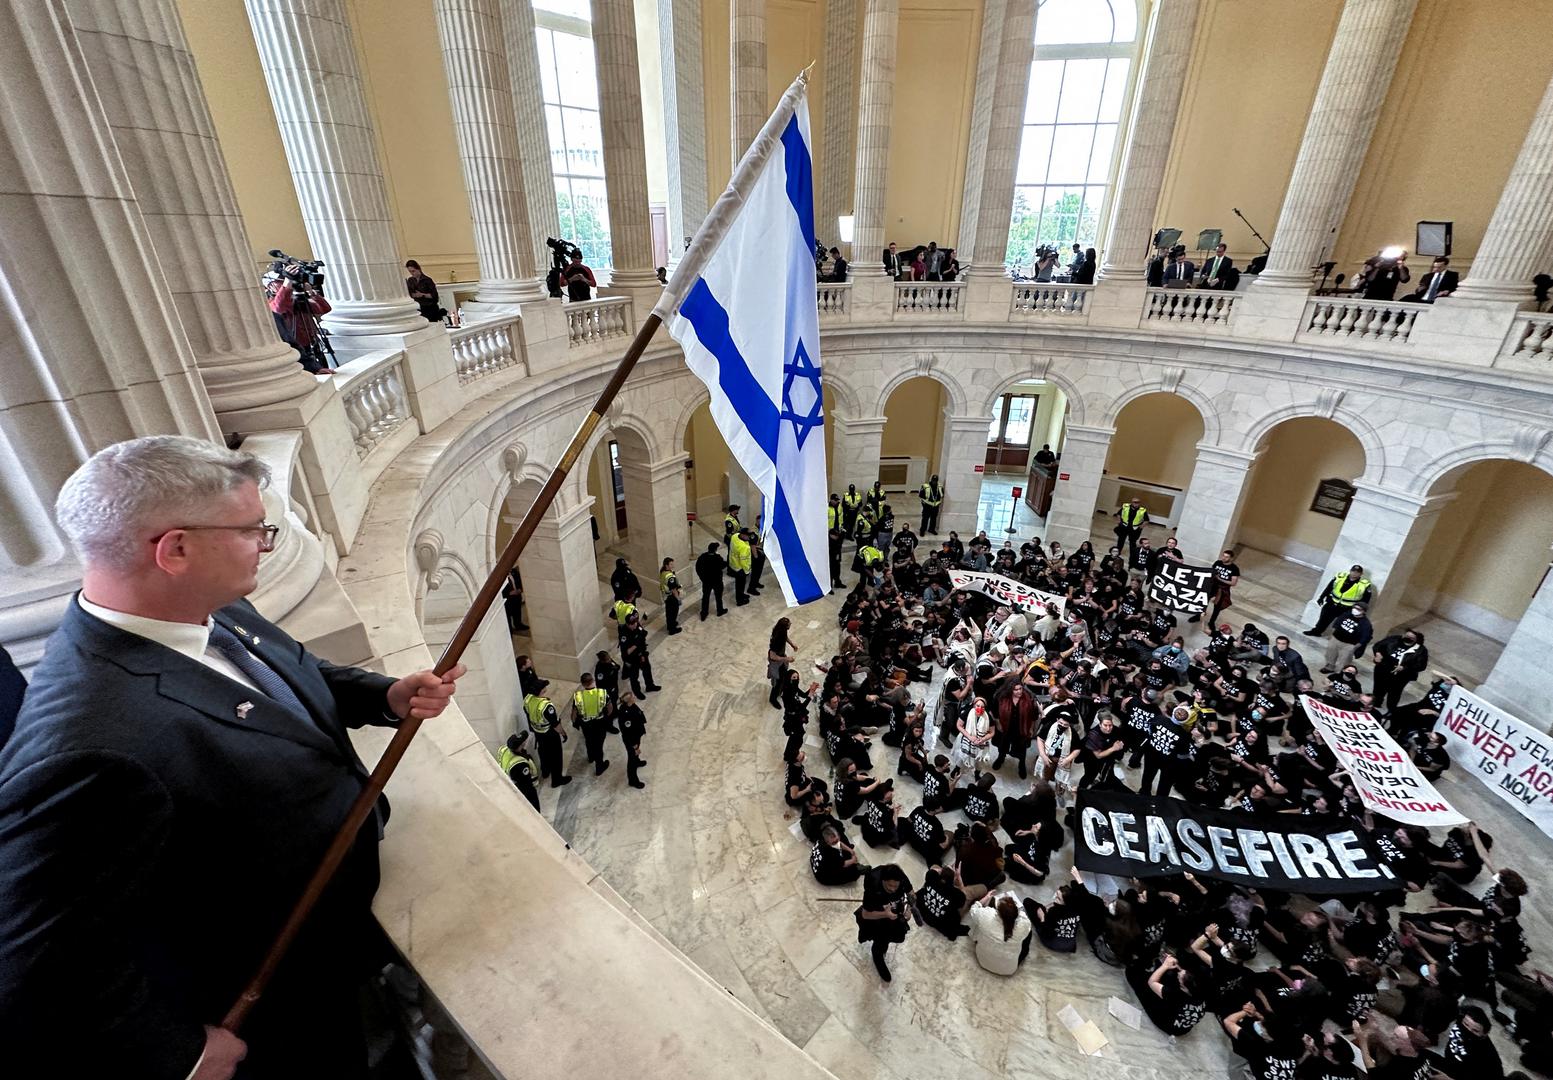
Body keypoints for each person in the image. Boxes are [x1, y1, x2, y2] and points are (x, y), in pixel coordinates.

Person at [0, 435, 465, 1078]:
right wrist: (179, 1054)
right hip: (274, 1007)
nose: (266, 543)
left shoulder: (213, 606)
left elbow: (292, 677)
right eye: (252, 530)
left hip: (337, 935)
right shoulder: (89, 747)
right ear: (176, 549)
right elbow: (36, 961)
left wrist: (383, 694)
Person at [856, 863, 912, 981]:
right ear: (883, 880)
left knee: (894, 934)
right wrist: (885, 914)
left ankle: (881, 947)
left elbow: (912, 895)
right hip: (877, 914)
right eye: (889, 886)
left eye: (895, 886)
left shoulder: (901, 878)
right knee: (881, 937)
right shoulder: (873, 886)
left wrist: (909, 909)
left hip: (894, 910)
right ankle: (877, 955)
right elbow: (865, 914)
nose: (892, 889)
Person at [968, 892, 1033, 975]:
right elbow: (1024, 919)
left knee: (979, 923)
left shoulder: (986, 915)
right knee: (1029, 932)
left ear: (997, 911)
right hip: (1008, 969)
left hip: (983, 961)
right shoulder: (1023, 924)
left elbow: (974, 909)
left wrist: (987, 897)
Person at [526, 677, 570, 788]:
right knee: (556, 756)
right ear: (541, 690)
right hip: (549, 733)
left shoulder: (528, 699)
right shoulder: (546, 706)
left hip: (538, 732)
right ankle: (557, 780)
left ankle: (545, 771)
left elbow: (527, 713)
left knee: (543, 751)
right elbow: (555, 724)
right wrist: (563, 733)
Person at [1304, 564, 1373, 636]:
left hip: (1347, 608)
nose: (1354, 573)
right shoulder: (1340, 577)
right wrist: (1321, 597)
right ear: (1350, 571)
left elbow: (1365, 600)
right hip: (1332, 604)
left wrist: (1359, 610)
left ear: (1361, 574)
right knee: (1323, 620)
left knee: (1342, 625)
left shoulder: (1364, 585)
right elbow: (1329, 587)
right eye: (1353, 571)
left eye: (1357, 572)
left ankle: (1336, 639)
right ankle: (1316, 632)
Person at [1371, 628, 1428, 713]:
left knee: (1394, 693)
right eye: (1406, 635)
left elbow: (1421, 666)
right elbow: (1378, 645)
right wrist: (1378, 653)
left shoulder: (1421, 650)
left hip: (1401, 676)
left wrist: (1404, 668)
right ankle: (1376, 703)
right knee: (1378, 688)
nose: (1407, 638)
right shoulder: (1394, 639)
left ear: (1416, 640)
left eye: (1411, 638)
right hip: (1383, 669)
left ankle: (1391, 710)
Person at [571, 671, 612, 776]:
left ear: (583, 684)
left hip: (586, 724)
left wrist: (574, 723)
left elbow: (574, 713)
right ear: (593, 680)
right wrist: (606, 716)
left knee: (589, 740)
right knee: (599, 744)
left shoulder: (578, 696)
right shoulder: (602, 693)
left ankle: (591, 757)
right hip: (599, 723)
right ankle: (599, 766)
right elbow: (610, 708)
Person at [1191, 549, 1240, 626]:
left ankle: (1211, 622)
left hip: (1222, 589)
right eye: (1223, 556)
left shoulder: (1234, 568)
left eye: (1226, 557)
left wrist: (1220, 578)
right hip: (1212, 585)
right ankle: (1198, 615)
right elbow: (1211, 572)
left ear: (1231, 558)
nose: (1224, 558)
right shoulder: (1218, 563)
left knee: (1217, 607)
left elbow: (1233, 583)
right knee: (1203, 600)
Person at [1322, 601, 1373, 674]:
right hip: (1336, 639)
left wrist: (1355, 647)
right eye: (1354, 607)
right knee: (1330, 654)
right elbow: (1337, 623)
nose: (1355, 610)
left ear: (1363, 612)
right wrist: (1332, 635)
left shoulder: (1365, 623)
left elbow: (1365, 637)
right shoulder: (1347, 614)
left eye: (1358, 609)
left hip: (1349, 644)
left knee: (1344, 660)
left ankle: (1339, 673)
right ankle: (1330, 667)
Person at [619, 611, 661, 697]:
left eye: (635, 622)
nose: (634, 625)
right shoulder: (624, 634)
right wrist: (636, 644)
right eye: (632, 624)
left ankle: (650, 686)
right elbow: (626, 652)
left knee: (647, 669)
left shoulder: (636, 625)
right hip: (631, 658)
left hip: (641, 653)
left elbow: (642, 632)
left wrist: (641, 653)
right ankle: (637, 692)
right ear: (627, 624)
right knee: (634, 676)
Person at [497, 731, 541, 811]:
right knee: (533, 809)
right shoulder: (520, 764)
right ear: (520, 746)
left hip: (512, 784)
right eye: (523, 742)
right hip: (525, 789)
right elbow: (525, 784)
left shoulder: (503, 749)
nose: (525, 741)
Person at [616, 689, 648, 789]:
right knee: (632, 759)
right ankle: (633, 780)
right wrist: (634, 746)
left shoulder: (632, 706)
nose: (635, 698)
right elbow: (627, 733)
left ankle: (637, 761)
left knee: (636, 755)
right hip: (631, 740)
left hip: (636, 735)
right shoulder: (625, 714)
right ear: (628, 700)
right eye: (633, 697)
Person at [767, 617, 798, 708]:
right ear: (784, 627)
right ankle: (773, 698)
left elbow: (785, 637)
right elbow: (773, 656)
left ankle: (780, 690)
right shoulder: (776, 640)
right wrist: (786, 659)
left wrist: (792, 644)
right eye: (789, 624)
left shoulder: (782, 631)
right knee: (777, 681)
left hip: (781, 658)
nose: (790, 624)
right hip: (776, 662)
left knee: (783, 677)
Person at [695, 541, 728, 620]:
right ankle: (720, 610)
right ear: (715, 550)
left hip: (706, 582)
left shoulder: (702, 557)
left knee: (705, 597)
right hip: (717, 581)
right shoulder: (718, 558)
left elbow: (697, 568)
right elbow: (723, 566)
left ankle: (704, 613)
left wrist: (702, 578)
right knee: (718, 597)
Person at [729, 527, 753, 605]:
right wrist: (747, 571)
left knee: (739, 585)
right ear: (742, 535)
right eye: (748, 536)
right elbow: (744, 561)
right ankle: (740, 600)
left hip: (733, 563)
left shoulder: (735, 536)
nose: (749, 537)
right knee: (740, 585)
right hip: (740, 569)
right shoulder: (744, 547)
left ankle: (741, 595)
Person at [659, 557, 683, 635]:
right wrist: (678, 598)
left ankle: (671, 625)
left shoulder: (663, 572)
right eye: (671, 564)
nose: (673, 565)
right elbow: (673, 589)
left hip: (666, 596)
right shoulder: (669, 576)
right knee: (673, 613)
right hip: (671, 597)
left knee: (669, 612)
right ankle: (672, 629)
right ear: (666, 565)